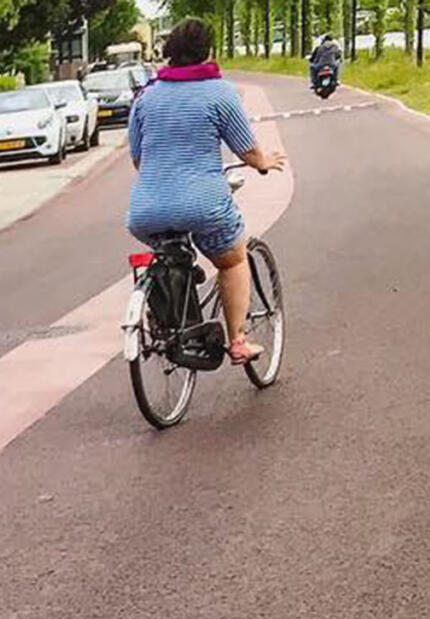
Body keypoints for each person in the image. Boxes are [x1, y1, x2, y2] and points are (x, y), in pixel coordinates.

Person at [126, 18, 288, 364]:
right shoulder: (220, 93)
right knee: (232, 260)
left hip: (146, 210)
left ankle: (165, 319)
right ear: (208, 51)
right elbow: (246, 149)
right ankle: (239, 341)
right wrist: (263, 162)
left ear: (169, 52)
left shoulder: (145, 98)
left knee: (171, 254)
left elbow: (138, 159)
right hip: (203, 204)